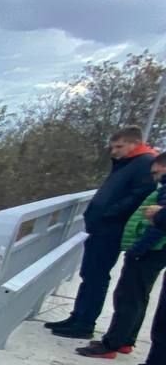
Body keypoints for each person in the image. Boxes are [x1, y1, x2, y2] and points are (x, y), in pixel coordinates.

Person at [47, 127, 158, 340]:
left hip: (111, 228)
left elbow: (137, 196)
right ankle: (77, 317)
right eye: (113, 147)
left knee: (97, 274)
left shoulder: (144, 163)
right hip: (102, 227)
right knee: (89, 273)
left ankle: (85, 323)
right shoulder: (127, 163)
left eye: (119, 146)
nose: (113, 151)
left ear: (134, 144)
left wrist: (108, 214)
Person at [75, 154, 166, 359]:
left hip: (149, 251)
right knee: (138, 296)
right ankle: (125, 341)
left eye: (156, 172)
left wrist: (137, 249)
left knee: (127, 297)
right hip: (153, 251)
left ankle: (111, 344)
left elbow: (158, 227)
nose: (154, 177)